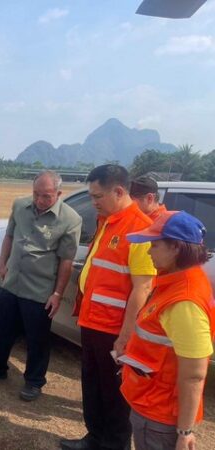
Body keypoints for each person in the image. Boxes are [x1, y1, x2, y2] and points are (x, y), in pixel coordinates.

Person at [61, 164, 156, 450]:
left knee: (114, 395)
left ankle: (113, 445)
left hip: (114, 329)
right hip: (92, 322)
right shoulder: (109, 220)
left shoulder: (139, 229)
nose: (93, 202)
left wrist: (126, 335)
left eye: (97, 196)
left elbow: (143, 287)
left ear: (118, 191)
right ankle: (94, 437)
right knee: (92, 386)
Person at [0, 171, 82, 401]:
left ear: (59, 194)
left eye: (46, 196)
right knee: (2, 329)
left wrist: (57, 293)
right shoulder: (20, 205)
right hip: (12, 283)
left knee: (37, 339)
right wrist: (2, 263)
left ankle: (34, 381)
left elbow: (66, 261)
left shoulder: (71, 220)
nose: (40, 200)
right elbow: (9, 236)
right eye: (36, 194)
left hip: (40, 290)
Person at [120, 211, 214, 450]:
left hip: (159, 414)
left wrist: (184, 432)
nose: (149, 251)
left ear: (175, 248)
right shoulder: (174, 281)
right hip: (151, 401)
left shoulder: (184, 301)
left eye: (154, 245)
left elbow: (194, 374)